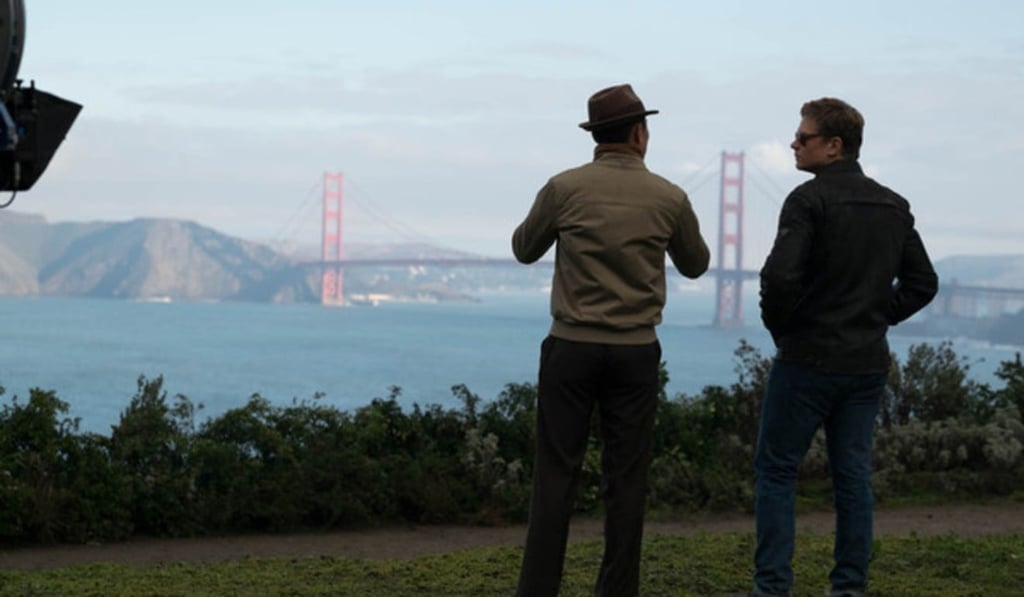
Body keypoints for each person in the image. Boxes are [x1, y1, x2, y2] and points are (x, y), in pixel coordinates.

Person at [511, 83, 710, 597]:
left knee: (555, 475)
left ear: (595, 136)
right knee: (627, 479)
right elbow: (696, 264)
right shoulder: (669, 197)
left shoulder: (564, 188)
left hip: (570, 347)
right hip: (635, 353)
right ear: (640, 134)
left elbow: (524, 249)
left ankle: (537, 590)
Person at [752, 98, 939, 597]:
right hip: (865, 364)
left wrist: (784, 331)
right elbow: (923, 283)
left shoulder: (806, 200)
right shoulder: (893, 205)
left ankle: (772, 588)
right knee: (853, 476)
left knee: (776, 470)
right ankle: (850, 588)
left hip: (806, 360)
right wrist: (877, 316)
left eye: (803, 137)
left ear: (834, 146)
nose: (793, 143)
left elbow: (779, 278)